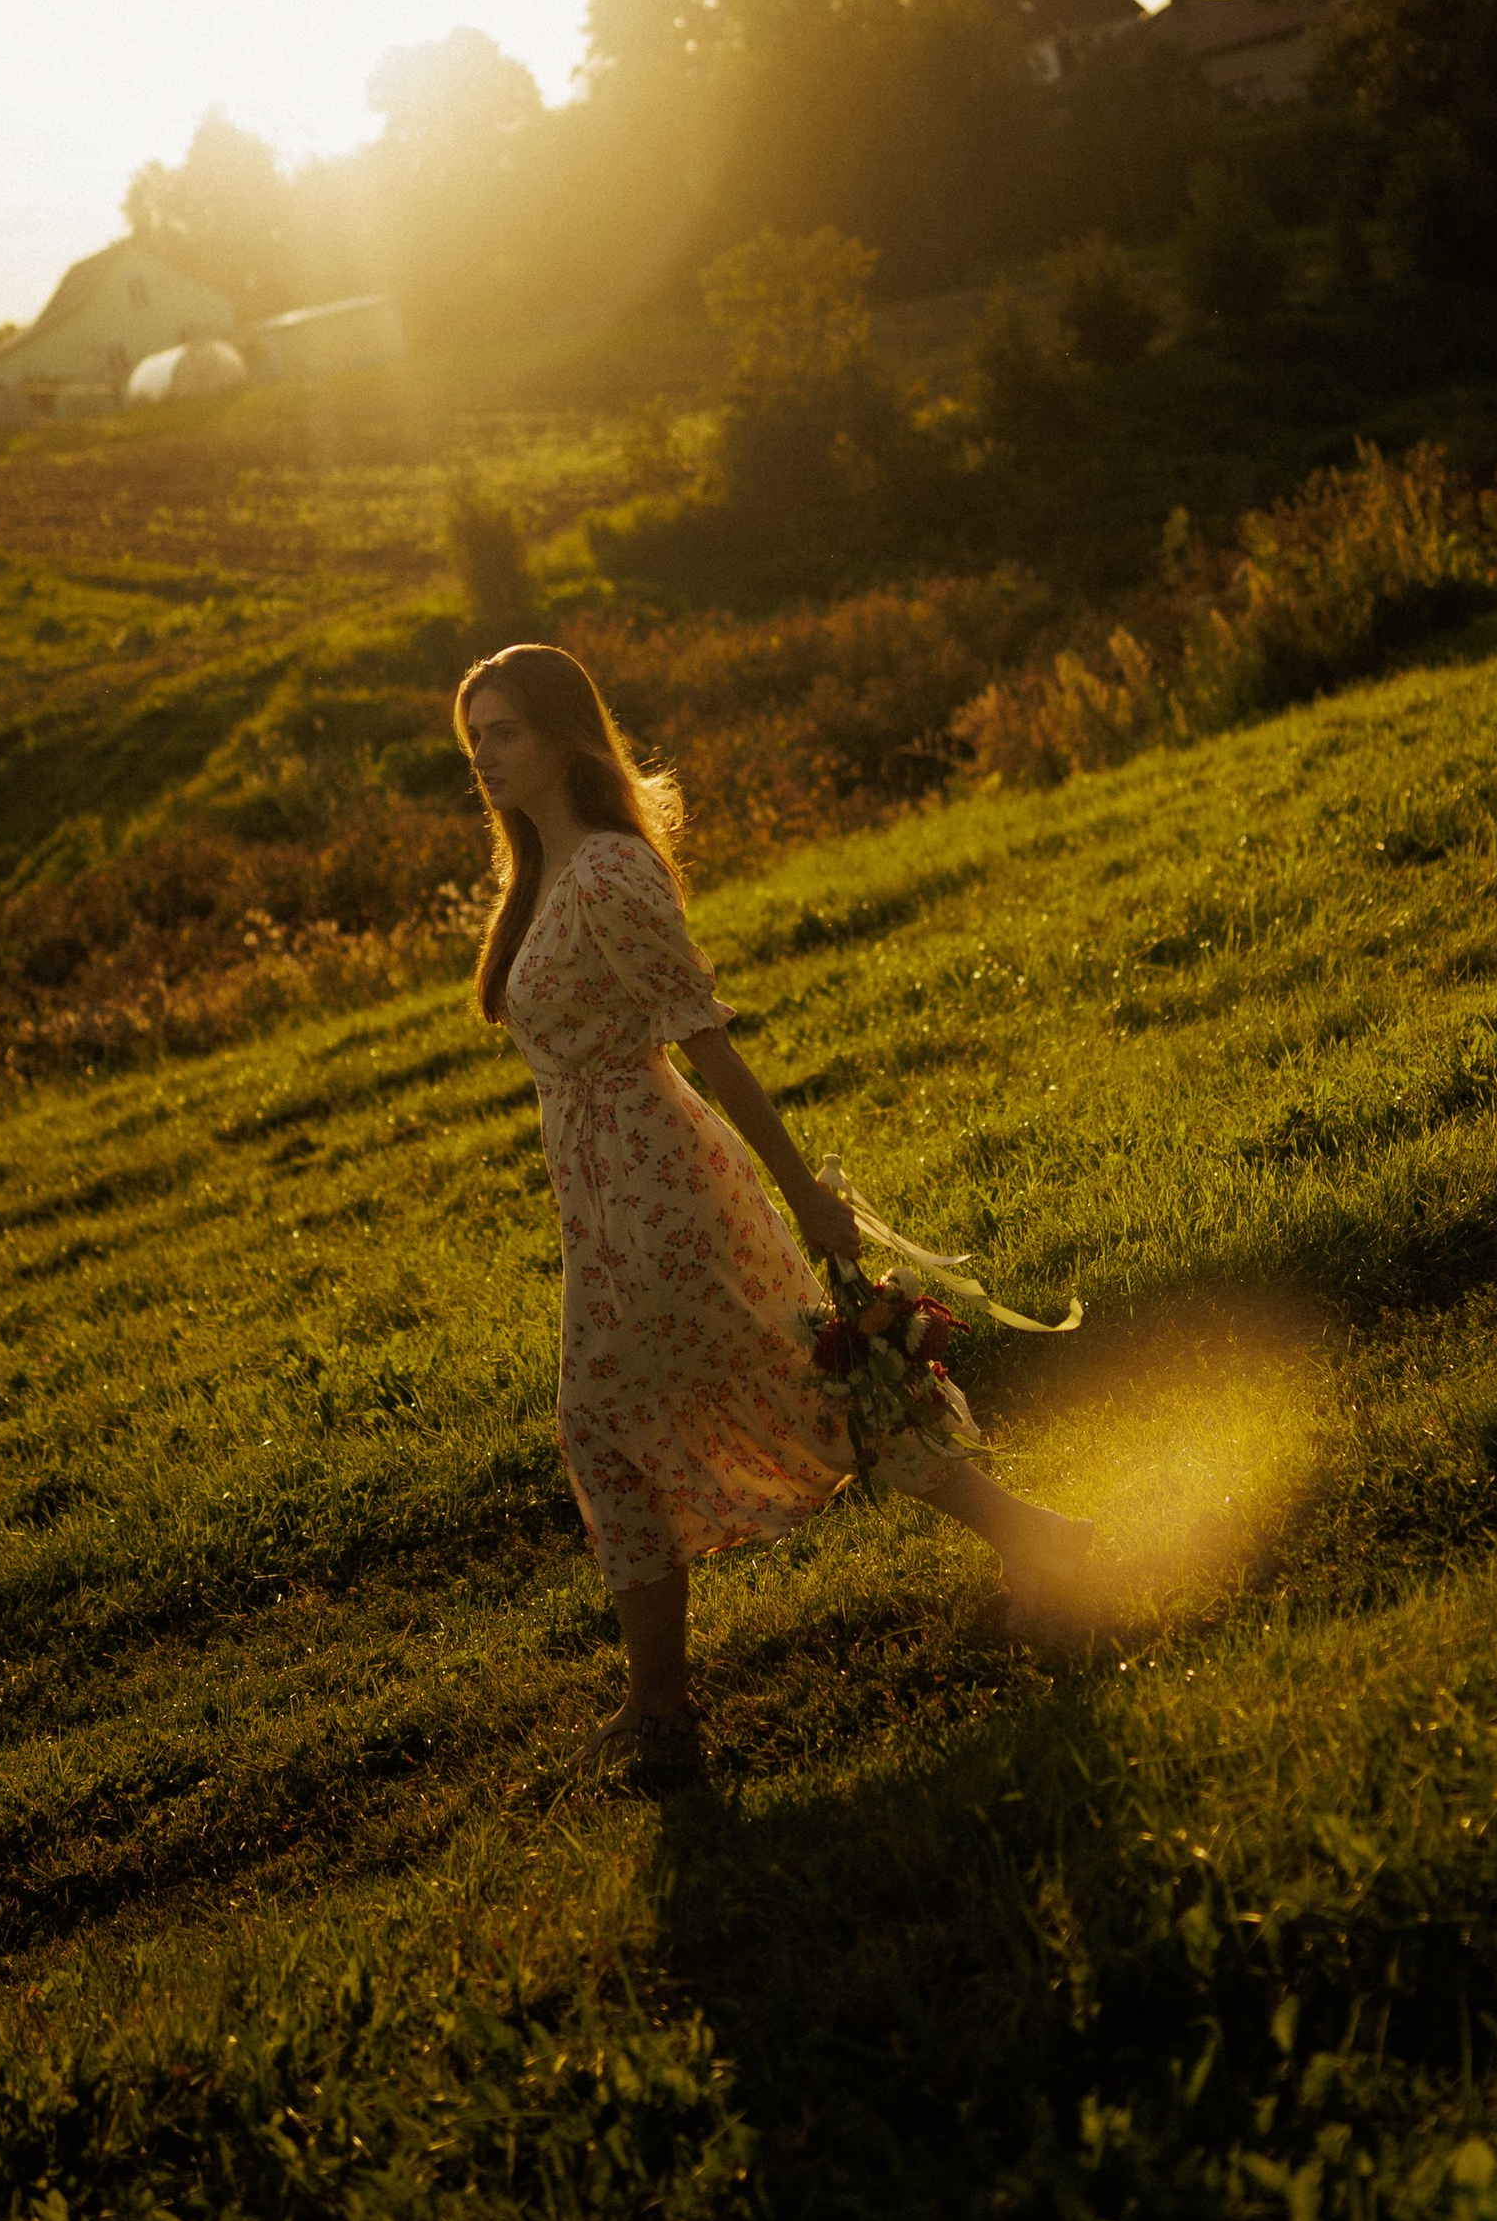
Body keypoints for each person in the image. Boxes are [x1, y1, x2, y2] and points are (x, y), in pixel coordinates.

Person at [458, 641, 1096, 1785]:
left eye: (503, 731)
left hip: (660, 1189)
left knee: (611, 1420)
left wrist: (806, 1197)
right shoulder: (540, 875)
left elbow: (705, 1041)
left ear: (562, 733)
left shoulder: (608, 873)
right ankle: (1041, 1542)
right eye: (475, 740)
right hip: (600, 1198)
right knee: (799, 1393)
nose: (486, 758)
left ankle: (660, 1713)